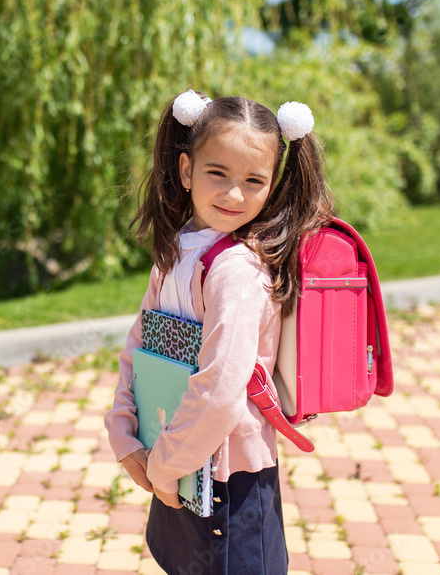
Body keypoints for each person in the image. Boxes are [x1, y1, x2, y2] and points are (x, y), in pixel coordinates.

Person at [104, 89, 336, 575]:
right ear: (187, 170)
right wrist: (124, 432)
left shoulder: (236, 272)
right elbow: (142, 343)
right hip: (177, 459)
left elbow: (221, 389)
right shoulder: (177, 249)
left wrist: (164, 465)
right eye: (218, 174)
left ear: (272, 185)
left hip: (225, 478)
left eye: (253, 180)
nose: (234, 194)